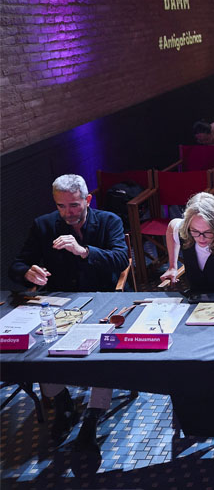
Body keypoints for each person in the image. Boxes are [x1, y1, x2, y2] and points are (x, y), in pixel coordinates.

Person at [9, 174, 129, 449]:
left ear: (88, 200)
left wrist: (84, 251)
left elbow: (121, 259)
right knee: (38, 346)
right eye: (61, 206)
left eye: (74, 205)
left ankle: (94, 413)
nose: (67, 213)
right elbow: (17, 265)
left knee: (102, 351)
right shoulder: (43, 225)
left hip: (102, 300)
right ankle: (63, 402)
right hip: (61, 302)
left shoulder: (109, 221)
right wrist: (27, 273)